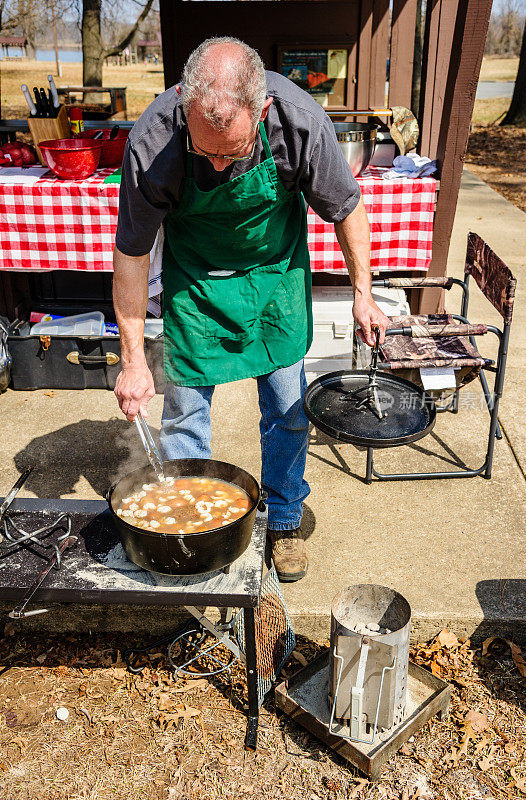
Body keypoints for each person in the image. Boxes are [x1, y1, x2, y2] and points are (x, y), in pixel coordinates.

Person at [113, 37, 389, 582]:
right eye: (205, 149)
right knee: (184, 414)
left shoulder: (298, 121)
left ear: (261, 111)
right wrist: (133, 360)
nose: (217, 162)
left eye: (231, 152)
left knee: (288, 410)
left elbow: (347, 207)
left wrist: (363, 291)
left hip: (274, 279)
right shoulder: (154, 140)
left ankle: (284, 520)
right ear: (185, 106)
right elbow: (131, 253)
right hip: (196, 285)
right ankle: (185, 528)